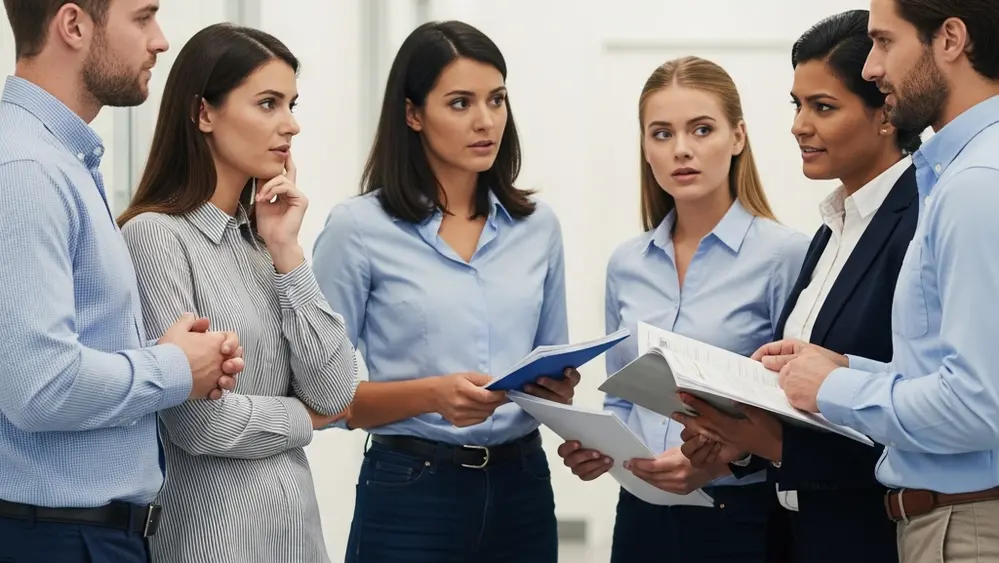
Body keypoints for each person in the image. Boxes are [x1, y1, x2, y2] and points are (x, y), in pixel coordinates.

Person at [311, 20, 574, 563]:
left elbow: (552, 366)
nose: (486, 121)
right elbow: (324, 398)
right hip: (411, 490)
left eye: (496, 100)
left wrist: (561, 394)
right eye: (460, 103)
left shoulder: (539, 228)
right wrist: (433, 395)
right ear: (413, 114)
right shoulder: (358, 229)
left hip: (522, 484)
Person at [672, 10, 923, 563]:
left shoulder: (919, 222)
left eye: (822, 107)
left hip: (871, 535)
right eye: (797, 104)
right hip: (795, 533)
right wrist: (738, 441)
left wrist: (774, 444)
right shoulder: (830, 231)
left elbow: (919, 410)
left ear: (885, 112)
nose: (798, 125)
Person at [754, 0, 999, 561]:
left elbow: (980, 405)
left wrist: (832, 388)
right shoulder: (957, 176)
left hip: (965, 522)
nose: (872, 67)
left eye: (885, 42)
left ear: (951, 39)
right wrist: (843, 368)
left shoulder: (976, 183)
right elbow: (947, 369)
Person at [0, 1, 244, 562]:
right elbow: (40, 388)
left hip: (80, 535)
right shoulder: (29, 171)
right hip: (59, 539)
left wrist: (165, 355)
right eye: (142, 18)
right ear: (74, 25)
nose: (160, 41)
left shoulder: (61, 160)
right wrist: (178, 367)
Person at [116, 23, 358, 563]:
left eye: (292, 104)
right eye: (268, 103)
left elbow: (337, 392)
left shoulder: (264, 243)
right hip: (212, 542)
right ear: (204, 113)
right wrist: (304, 419)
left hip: (298, 539)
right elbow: (200, 424)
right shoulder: (156, 236)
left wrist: (287, 250)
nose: (291, 125)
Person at [556, 55, 809, 563]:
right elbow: (622, 396)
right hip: (641, 513)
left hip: (742, 517)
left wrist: (718, 462)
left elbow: (799, 414)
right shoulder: (626, 263)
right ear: (645, 147)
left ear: (738, 137)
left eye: (701, 129)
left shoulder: (786, 256)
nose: (682, 150)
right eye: (662, 134)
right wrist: (602, 449)